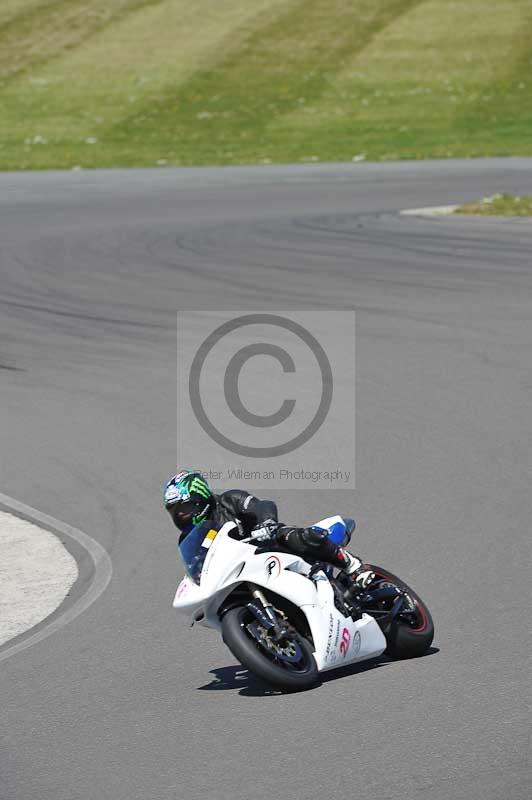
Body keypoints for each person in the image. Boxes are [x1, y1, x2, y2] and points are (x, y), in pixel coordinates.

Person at [163, 470, 374, 587]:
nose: (181, 515)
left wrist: (267, 523)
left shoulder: (229, 500)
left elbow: (262, 505)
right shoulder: (188, 539)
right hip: (242, 571)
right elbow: (198, 568)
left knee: (293, 536)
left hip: (270, 545)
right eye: (176, 513)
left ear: (201, 498)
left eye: (185, 508)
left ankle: (353, 566)